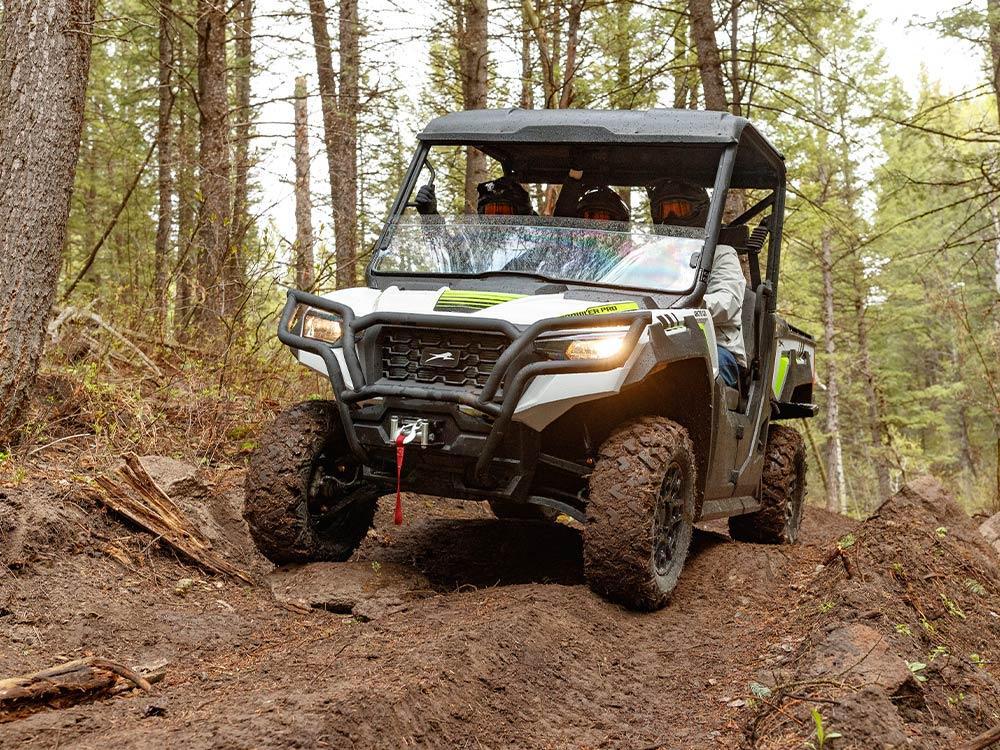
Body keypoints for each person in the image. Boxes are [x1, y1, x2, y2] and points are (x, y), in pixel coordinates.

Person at [648, 178, 746, 389]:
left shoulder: (722, 255)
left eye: (679, 209)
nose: (672, 217)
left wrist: (685, 304)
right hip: (658, 344)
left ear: (700, 211)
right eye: (666, 210)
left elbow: (727, 302)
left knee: (681, 375)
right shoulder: (653, 259)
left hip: (715, 346)